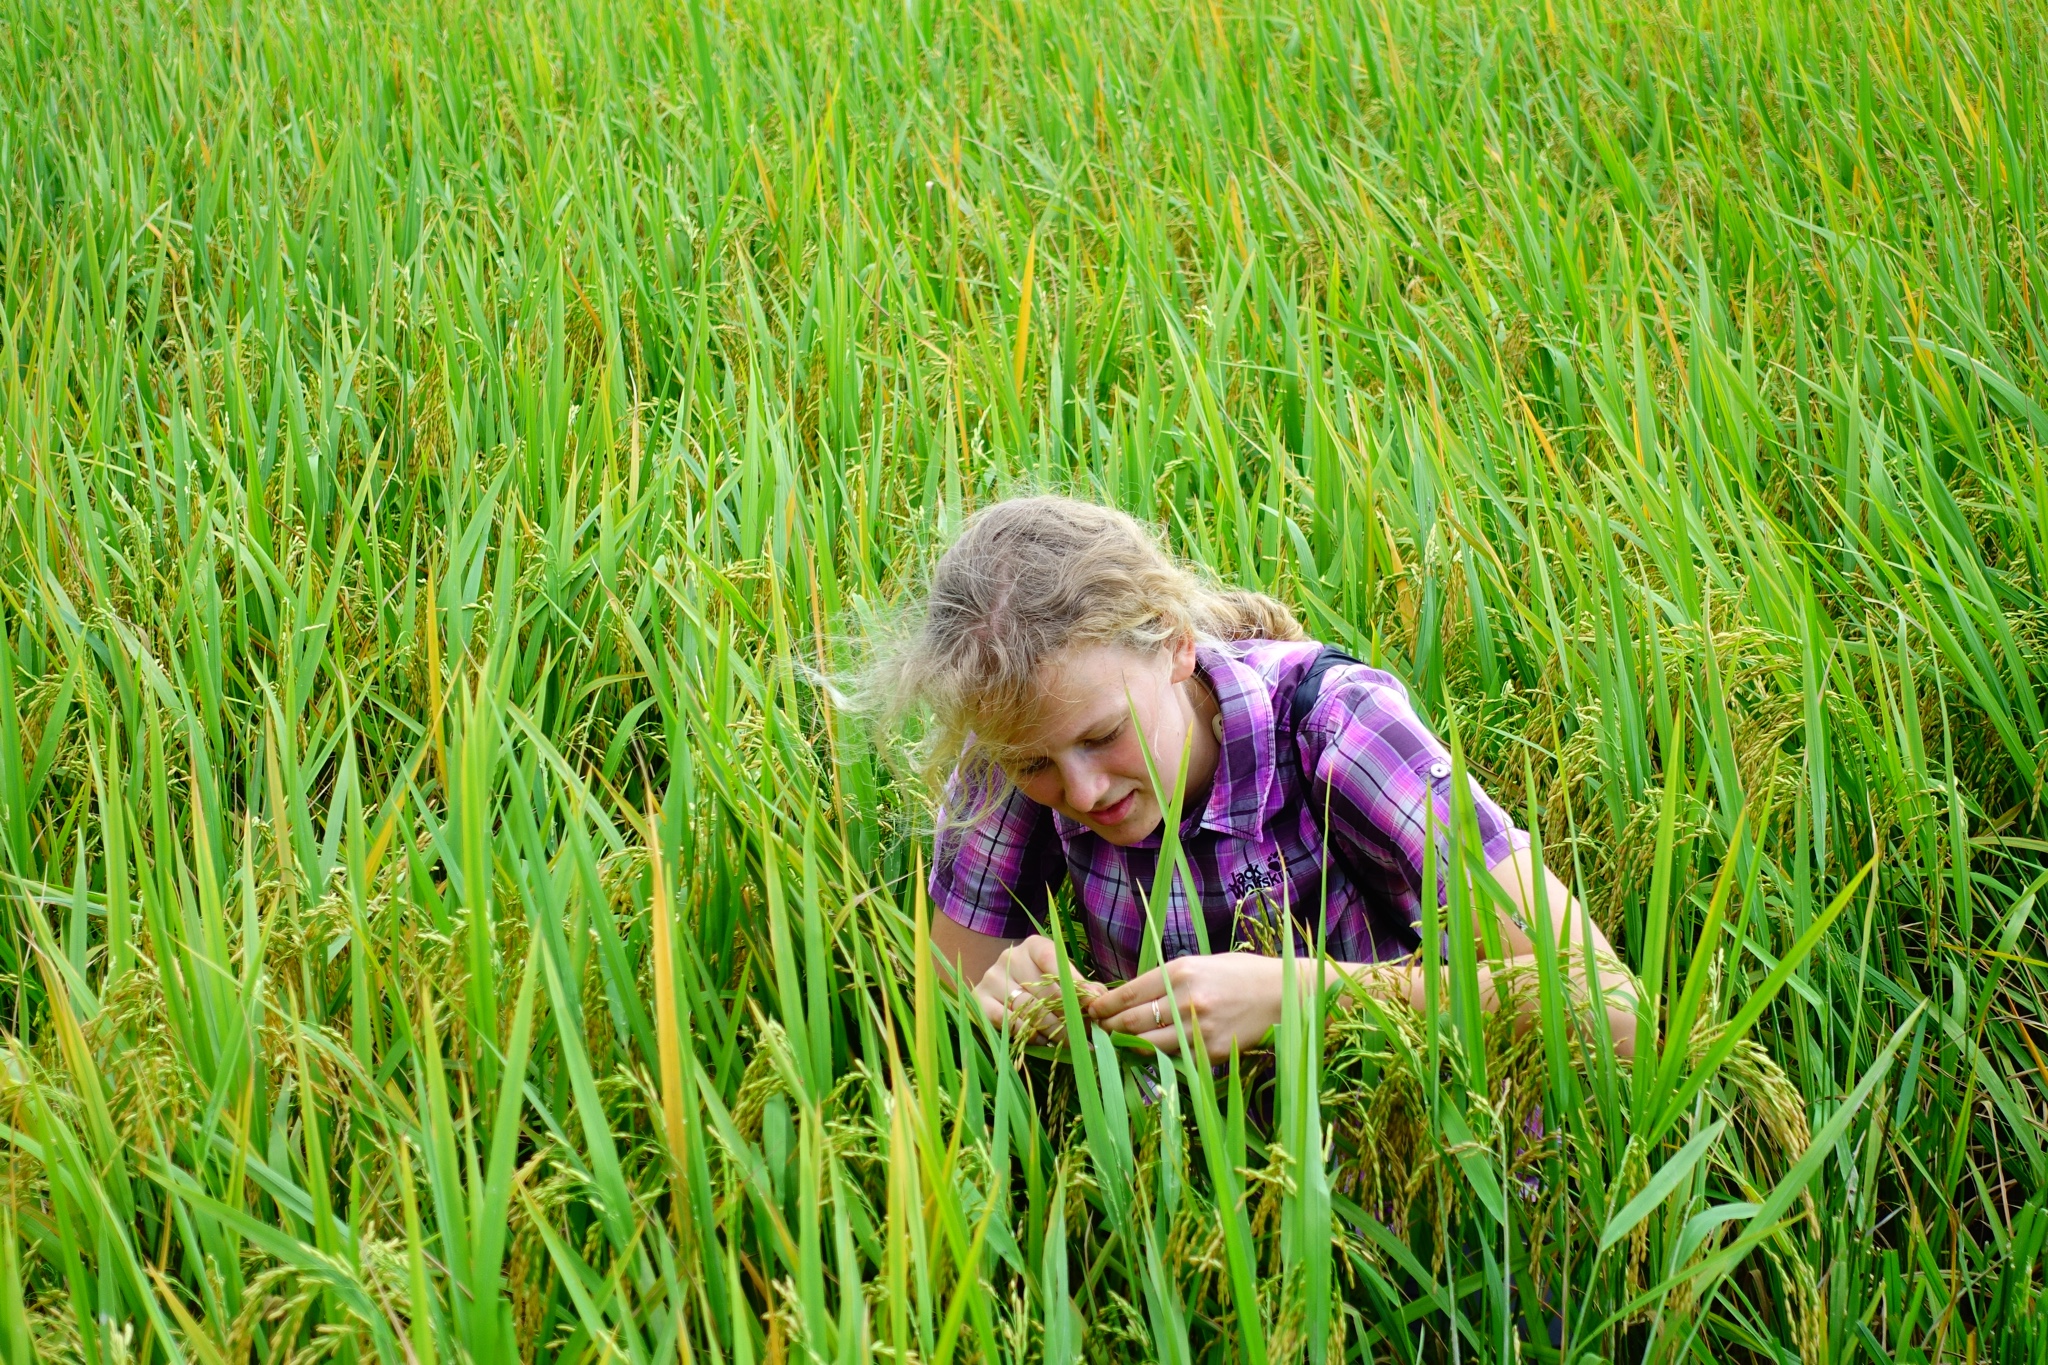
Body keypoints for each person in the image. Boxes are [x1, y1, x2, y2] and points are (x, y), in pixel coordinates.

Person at [873, 494, 1637, 1062]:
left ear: (1174, 645)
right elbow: (949, 995)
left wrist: (1306, 998)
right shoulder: (1013, 735)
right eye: (1035, 765)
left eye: (1104, 738)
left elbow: (1611, 1005)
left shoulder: (1338, 726)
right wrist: (1009, 991)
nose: (1081, 793)